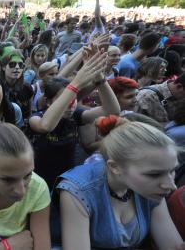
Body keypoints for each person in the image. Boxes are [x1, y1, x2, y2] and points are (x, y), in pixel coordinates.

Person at [56, 118, 184, 249]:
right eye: (154, 174)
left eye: (172, 171)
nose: (171, 185)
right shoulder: (79, 190)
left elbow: (171, 245)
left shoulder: (152, 189)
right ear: (115, 167)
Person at [29, 50, 121, 189]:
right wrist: (76, 84)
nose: (70, 105)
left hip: (66, 179)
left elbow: (112, 110)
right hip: (39, 182)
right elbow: (45, 126)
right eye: (63, 99)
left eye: (73, 100)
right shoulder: (36, 118)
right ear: (48, 102)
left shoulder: (75, 115)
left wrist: (100, 79)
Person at [0, 49, 34, 121]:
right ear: (3, 67)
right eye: (12, 64)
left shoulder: (27, 88)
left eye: (21, 65)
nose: (17, 67)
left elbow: (29, 114)